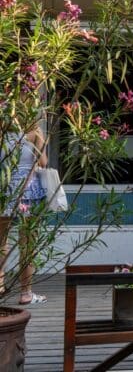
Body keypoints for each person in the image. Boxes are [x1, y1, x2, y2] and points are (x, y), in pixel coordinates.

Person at [1, 126, 48, 304]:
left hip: (4, 187)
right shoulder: (35, 131)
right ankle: (26, 293)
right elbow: (43, 162)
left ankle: (0, 286)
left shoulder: (2, 130)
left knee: (1, 242)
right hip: (28, 189)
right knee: (27, 243)